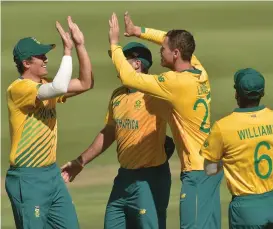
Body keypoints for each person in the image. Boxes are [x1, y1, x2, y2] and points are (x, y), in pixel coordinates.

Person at [108, 12, 223, 229]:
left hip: (197, 169)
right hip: (213, 166)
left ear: (176, 53)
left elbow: (129, 78)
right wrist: (137, 31)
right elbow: (167, 37)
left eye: (164, 49)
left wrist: (114, 45)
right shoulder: (199, 70)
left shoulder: (174, 82)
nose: (160, 52)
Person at [61, 42, 175, 229]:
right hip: (124, 178)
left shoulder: (155, 93)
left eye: (122, 60)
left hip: (150, 178)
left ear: (137, 64)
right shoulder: (118, 95)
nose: (116, 65)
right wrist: (80, 162)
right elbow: (109, 131)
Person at [5, 16, 94, 229]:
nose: (45, 59)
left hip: (51, 174)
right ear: (26, 63)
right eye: (40, 56)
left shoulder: (45, 85)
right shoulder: (19, 89)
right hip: (28, 177)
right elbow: (59, 88)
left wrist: (80, 46)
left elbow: (85, 82)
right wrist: (66, 51)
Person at [200, 68, 273, 229]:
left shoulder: (223, 127)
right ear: (262, 93)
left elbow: (210, 169)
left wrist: (227, 163)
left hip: (246, 210)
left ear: (237, 94)